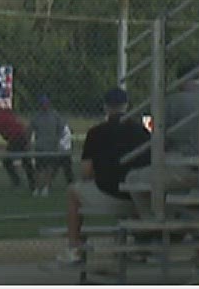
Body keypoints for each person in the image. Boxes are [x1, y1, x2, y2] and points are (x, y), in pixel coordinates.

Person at [61, 87, 150, 264]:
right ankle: (139, 246)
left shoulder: (96, 132)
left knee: (73, 192)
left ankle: (74, 247)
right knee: (134, 184)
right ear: (127, 106)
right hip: (140, 197)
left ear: (106, 107)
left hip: (110, 193)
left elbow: (86, 172)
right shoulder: (143, 132)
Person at [29, 95, 73, 195]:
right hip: (40, 146)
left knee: (49, 168)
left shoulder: (55, 116)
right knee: (39, 169)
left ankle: (46, 187)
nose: (44, 105)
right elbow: (30, 129)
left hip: (51, 146)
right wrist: (28, 142)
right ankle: (37, 187)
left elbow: (62, 128)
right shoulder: (36, 117)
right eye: (42, 104)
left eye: (45, 103)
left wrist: (59, 140)